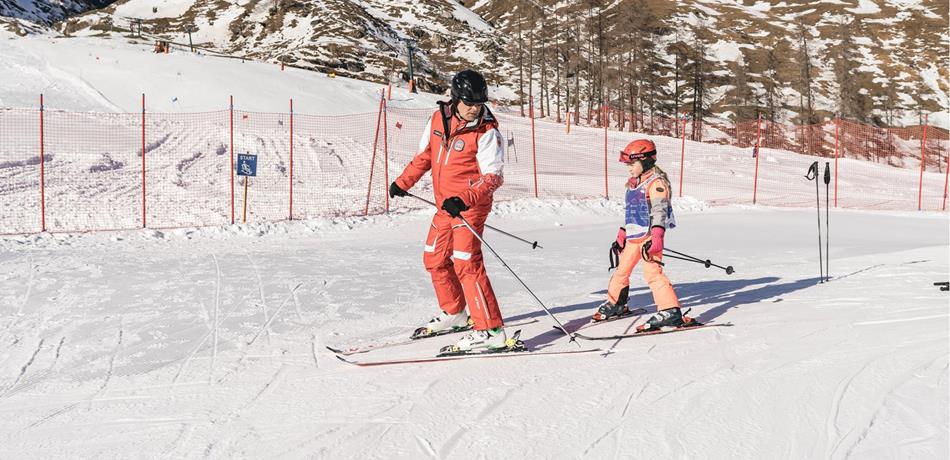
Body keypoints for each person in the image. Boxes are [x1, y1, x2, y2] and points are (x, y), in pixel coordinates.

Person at [388, 70, 507, 351]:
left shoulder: (487, 131)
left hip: (470, 206)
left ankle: (490, 330)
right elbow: (426, 155)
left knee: (466, 262)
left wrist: (464, 199)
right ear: (455, 99)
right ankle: (455, 313)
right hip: (446, 205)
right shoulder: (437, 119)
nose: (474, 109)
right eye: (469, 104)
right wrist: (403, 182)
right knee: (435, 257)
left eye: (479, 104)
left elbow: (493, 177)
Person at [594, 139, 691, 331]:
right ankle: (616, 304)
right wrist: (623, 231)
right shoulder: (634, 184)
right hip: (633, 237)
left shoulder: (656, 183)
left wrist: (657, 236)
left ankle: (670, 311)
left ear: (645, 161)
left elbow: (659, 211)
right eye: (628, 164)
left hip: (649, 237)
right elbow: (633, 211)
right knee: (621, 270)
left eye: (632, 164)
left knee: (652, 273)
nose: (629, 168)